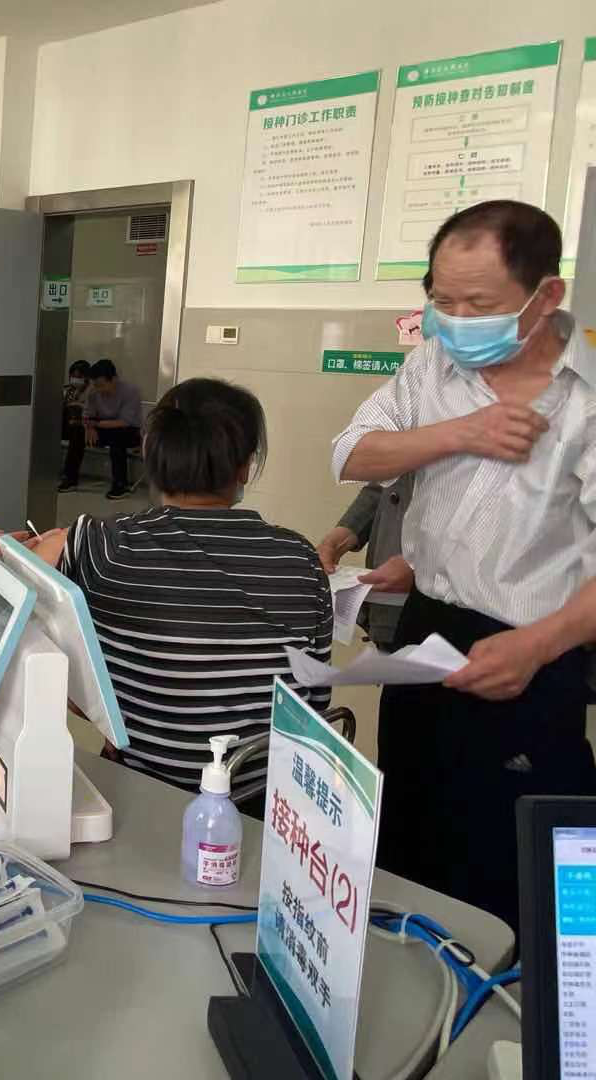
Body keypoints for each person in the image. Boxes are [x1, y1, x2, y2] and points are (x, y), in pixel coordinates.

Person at [332, 200, 596, 930]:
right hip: (427, 633)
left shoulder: (585, 397)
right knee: (411, 825)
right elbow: (352, 453)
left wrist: (537, 646)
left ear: (546, 295)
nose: (455, 320)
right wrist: (461, 435)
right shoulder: (433, 363)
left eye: (478, 305)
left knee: (507, 858)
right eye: (441, 299)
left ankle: (504, 990)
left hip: (533, 651)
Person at [32, 378, 333, 803]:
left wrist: (84, 700)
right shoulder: (300, 557)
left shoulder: (102, 547)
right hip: (265, 800)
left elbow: (18, 620)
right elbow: (314, 703)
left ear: (151, 454)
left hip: (138, 791)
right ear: (245, 467)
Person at [316, 474, 415, 649]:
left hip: (443, 611)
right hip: (387, 613)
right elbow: (386, 484)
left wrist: (422, 569)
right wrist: (344, 533)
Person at [60, 357, 143, 498]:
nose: (99, 389)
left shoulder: (130, 391)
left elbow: (124, 422)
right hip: (103, 427)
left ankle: (120, 485)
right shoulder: (94, 392)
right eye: (96, 385)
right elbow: (87, 415)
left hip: (128, 431)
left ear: (114, 379)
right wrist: (89, 427)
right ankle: (70, 478)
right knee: (78, 432)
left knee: (117, 436)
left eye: (102, 385)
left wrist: (96, 424)